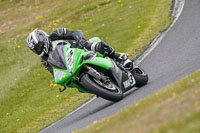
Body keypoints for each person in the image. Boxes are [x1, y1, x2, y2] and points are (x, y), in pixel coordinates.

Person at [26, 28, 133, 76]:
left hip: (80, 49)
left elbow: (75, 32)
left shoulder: (56, 34)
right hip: (72, 66)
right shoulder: (44, 60)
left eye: (39, 45)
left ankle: (118, 56)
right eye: (36, 49)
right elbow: (54, 72)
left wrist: (81, 41)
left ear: (43, 38)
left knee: (94, 43)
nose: (39, 49)